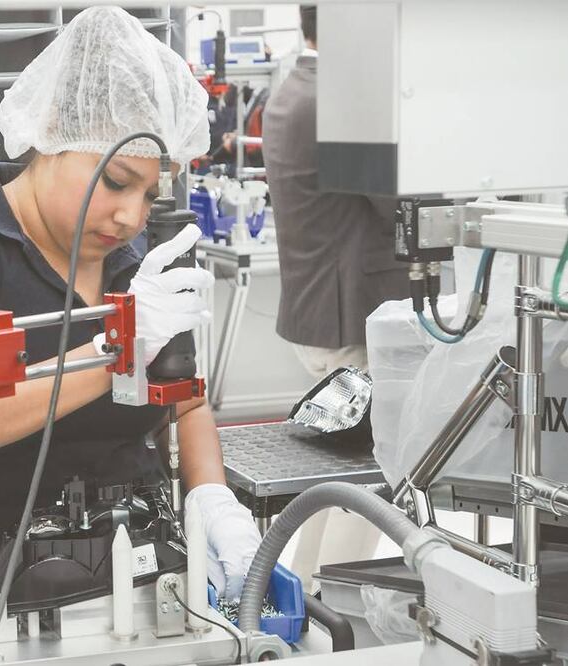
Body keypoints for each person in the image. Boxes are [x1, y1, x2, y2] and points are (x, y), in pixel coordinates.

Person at [0, 6, 262, 630]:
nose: (132, 217)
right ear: (54, 130)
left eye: (150, 193)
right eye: (115, 182)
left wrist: (213, 502)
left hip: (134, 585)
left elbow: (187, 401)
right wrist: (114, 350)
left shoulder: (139, 258)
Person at [261, 6, 408, 589]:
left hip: (320, 309)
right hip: (354, 317)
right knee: (374, 482)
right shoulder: (341, 99)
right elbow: (401, 206)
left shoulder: (295, 88)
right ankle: (340, 604)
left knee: (341, 480)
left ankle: (307, 599)